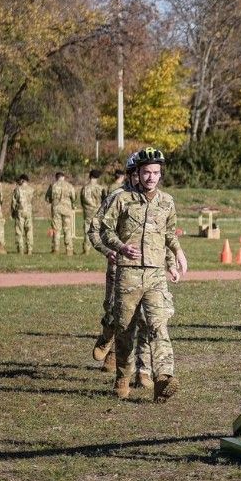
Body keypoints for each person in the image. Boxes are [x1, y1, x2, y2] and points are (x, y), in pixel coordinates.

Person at [99, 147, 187, 402]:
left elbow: (169, 233)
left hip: (156, 275)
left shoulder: (167, 201)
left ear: (161, 175)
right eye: (146, 172)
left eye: (156, 173)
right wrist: (120, 247)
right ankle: (122, 378)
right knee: (125, 330)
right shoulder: (121, 198)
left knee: (159, 325)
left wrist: (178, 254)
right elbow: (104, 230)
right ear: (137, 173)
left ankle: (164, 377)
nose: (151, 177)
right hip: (127, 274)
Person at [88, 153, 157, 387]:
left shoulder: (153, 199)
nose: (145, 177)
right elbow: (95, 230)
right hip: (119, 267)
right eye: (140, 172)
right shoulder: (116, 197)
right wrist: (108, 250)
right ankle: (108, 338)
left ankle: (143, 372)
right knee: (117, 314)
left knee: (146, 319)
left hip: (146, 270)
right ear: (132, 174)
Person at [45, 172, 76, 255]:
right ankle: (69, 250)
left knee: (56, 229)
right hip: (66, 209)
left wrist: (53, 201)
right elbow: (73, 197)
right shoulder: (69, 185)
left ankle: (56, 249)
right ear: (64, 177)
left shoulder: (53, 185)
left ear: (56, 177)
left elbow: (47, 198)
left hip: (56, 209)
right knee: (67, 229)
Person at [80, 169, 105, 254]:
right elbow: (105, 200)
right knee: (99, 230)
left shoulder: (85, 188)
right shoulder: (101, 188)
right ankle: (101, 249)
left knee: (87, 229)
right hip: (98, 211)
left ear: (90, 176)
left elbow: (82, 200)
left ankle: (86, 250)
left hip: (88, 211)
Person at [11, 174, 35, 254]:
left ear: (22, 180)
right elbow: (32, 201)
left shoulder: (17, 189)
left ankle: (20, 250)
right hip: (28, 212)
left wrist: (13, 212)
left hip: (20, 212)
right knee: (29, 231)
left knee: (19, 231)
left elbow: (14, 202)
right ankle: (30, 250)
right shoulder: (31, 190)